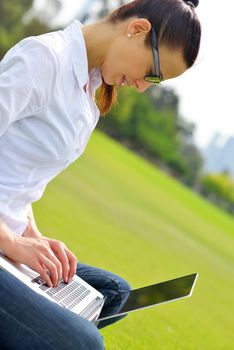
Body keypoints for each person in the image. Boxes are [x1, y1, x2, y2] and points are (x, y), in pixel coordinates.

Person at [0, 0, 201, 349]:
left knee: (114, 293)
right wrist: (14, 243)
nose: (143, 87)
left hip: (11, 241)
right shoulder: (43, 60)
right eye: (153, 74)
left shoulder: (89, 92)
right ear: (137, 29)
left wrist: (33, 234)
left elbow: (18, 173)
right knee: (83, 342)